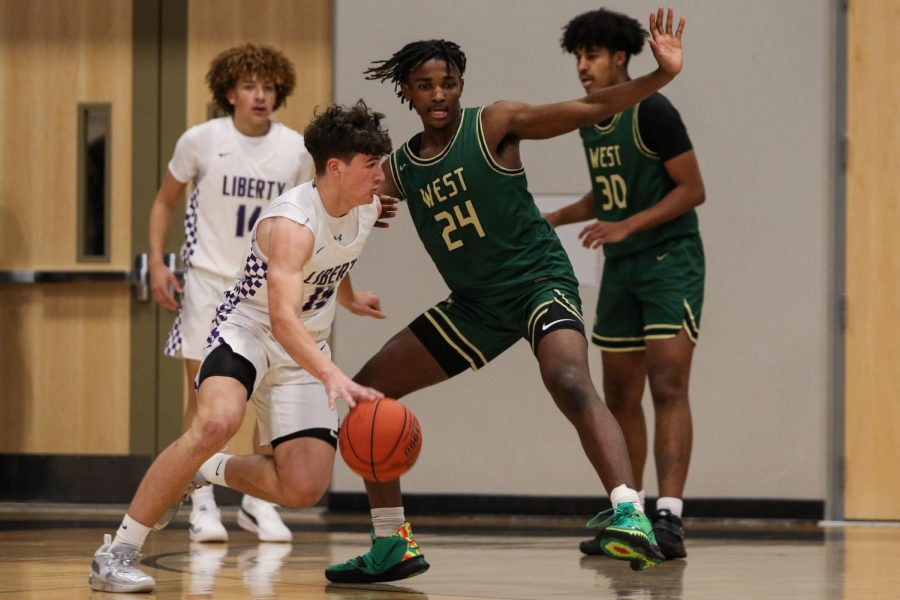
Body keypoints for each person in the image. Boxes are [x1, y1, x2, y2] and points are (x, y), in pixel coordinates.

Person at [324, 7, 686, 584]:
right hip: (474, 306)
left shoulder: (494, 124)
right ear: (408, 93)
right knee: (367, 396)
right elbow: (336, 208)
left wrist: (660, 77)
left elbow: (590, 108)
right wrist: (344, 275)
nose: (439, 93)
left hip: (538, 282)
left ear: (461, 85)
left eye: (448, 82)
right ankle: (392, 543)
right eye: (425, 85)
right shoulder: (398, 169)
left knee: (567, 379)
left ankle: (629, 513)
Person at [88, 100, 394, 594]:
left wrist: (351, 297)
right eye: (371, 165)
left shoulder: (367, 204)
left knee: (303, 487)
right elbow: (281, 318)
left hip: (305, 343)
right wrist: (333, 375)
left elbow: (340, 251)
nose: (381, 175)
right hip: (248, 330)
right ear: (335, 168)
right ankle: (116, 552)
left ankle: (204, 470)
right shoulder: (290, 223)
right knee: (215, 422)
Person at [542, 8, 706, 560]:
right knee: (618, 395)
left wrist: (628, 225)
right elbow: (605, 197)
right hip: (623, 265)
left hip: (669, 260)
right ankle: (629, 515)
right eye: (577, 57)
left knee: (668, 387)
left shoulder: (653, 109)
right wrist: (552, 219)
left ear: (619, 57)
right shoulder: (593, 118)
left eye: (591, 55)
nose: (582, 66)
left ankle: (671, 518)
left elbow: (691, 189)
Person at [148, 43, 315, 543]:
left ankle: (259, 502)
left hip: (267, 288)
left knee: (268, 397)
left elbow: (314, 219)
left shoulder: (296, 149)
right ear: (230, 92)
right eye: (249, 86)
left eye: (267, 87)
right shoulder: (200, 140)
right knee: (206, 400)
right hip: (206, 281)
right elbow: (163, 203)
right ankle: (199, 499)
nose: (260, 95)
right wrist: (157, 263)